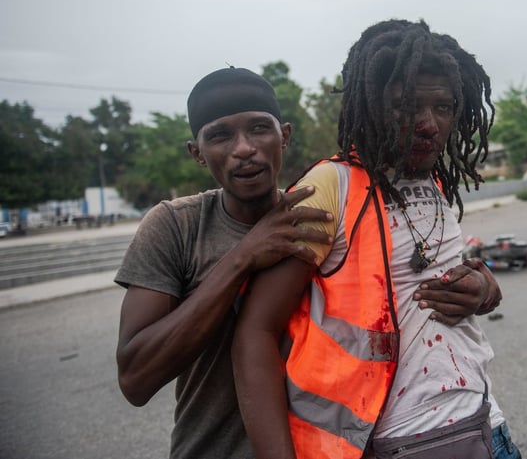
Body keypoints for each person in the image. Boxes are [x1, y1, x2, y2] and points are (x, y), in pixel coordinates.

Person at [114, 66, 497, 459]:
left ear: (285, 136)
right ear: (197, 153)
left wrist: (482, 292)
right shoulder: (176, 226)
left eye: (260, 129)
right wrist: (242, 258)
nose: (244, 148)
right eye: (220, 135)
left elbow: (398, 299)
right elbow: (136, 378)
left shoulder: (325, 212)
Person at [232, 19, 521, 459]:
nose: (428, 124)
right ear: (371, 105)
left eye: (443, 107)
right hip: (392, 443)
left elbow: (432, 293)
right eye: (406, 107)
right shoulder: (332, 186)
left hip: (485, 428)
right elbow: (255, 333)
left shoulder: (437, 182)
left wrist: (484, 291)